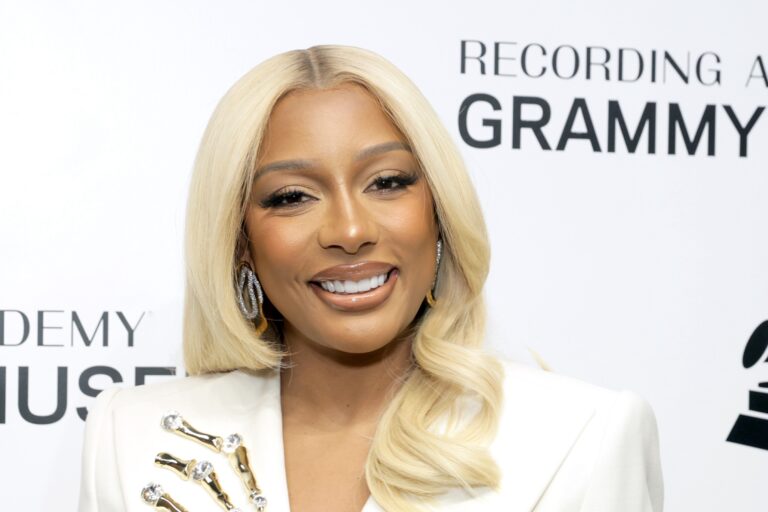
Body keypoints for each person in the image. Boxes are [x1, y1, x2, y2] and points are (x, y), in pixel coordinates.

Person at [78, 45, 664, 512]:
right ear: (240, 245)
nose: (351, 230)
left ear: (438, 213)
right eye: (292, 196)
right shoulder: (130, 436)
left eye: (387, 182)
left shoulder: (580, 437)